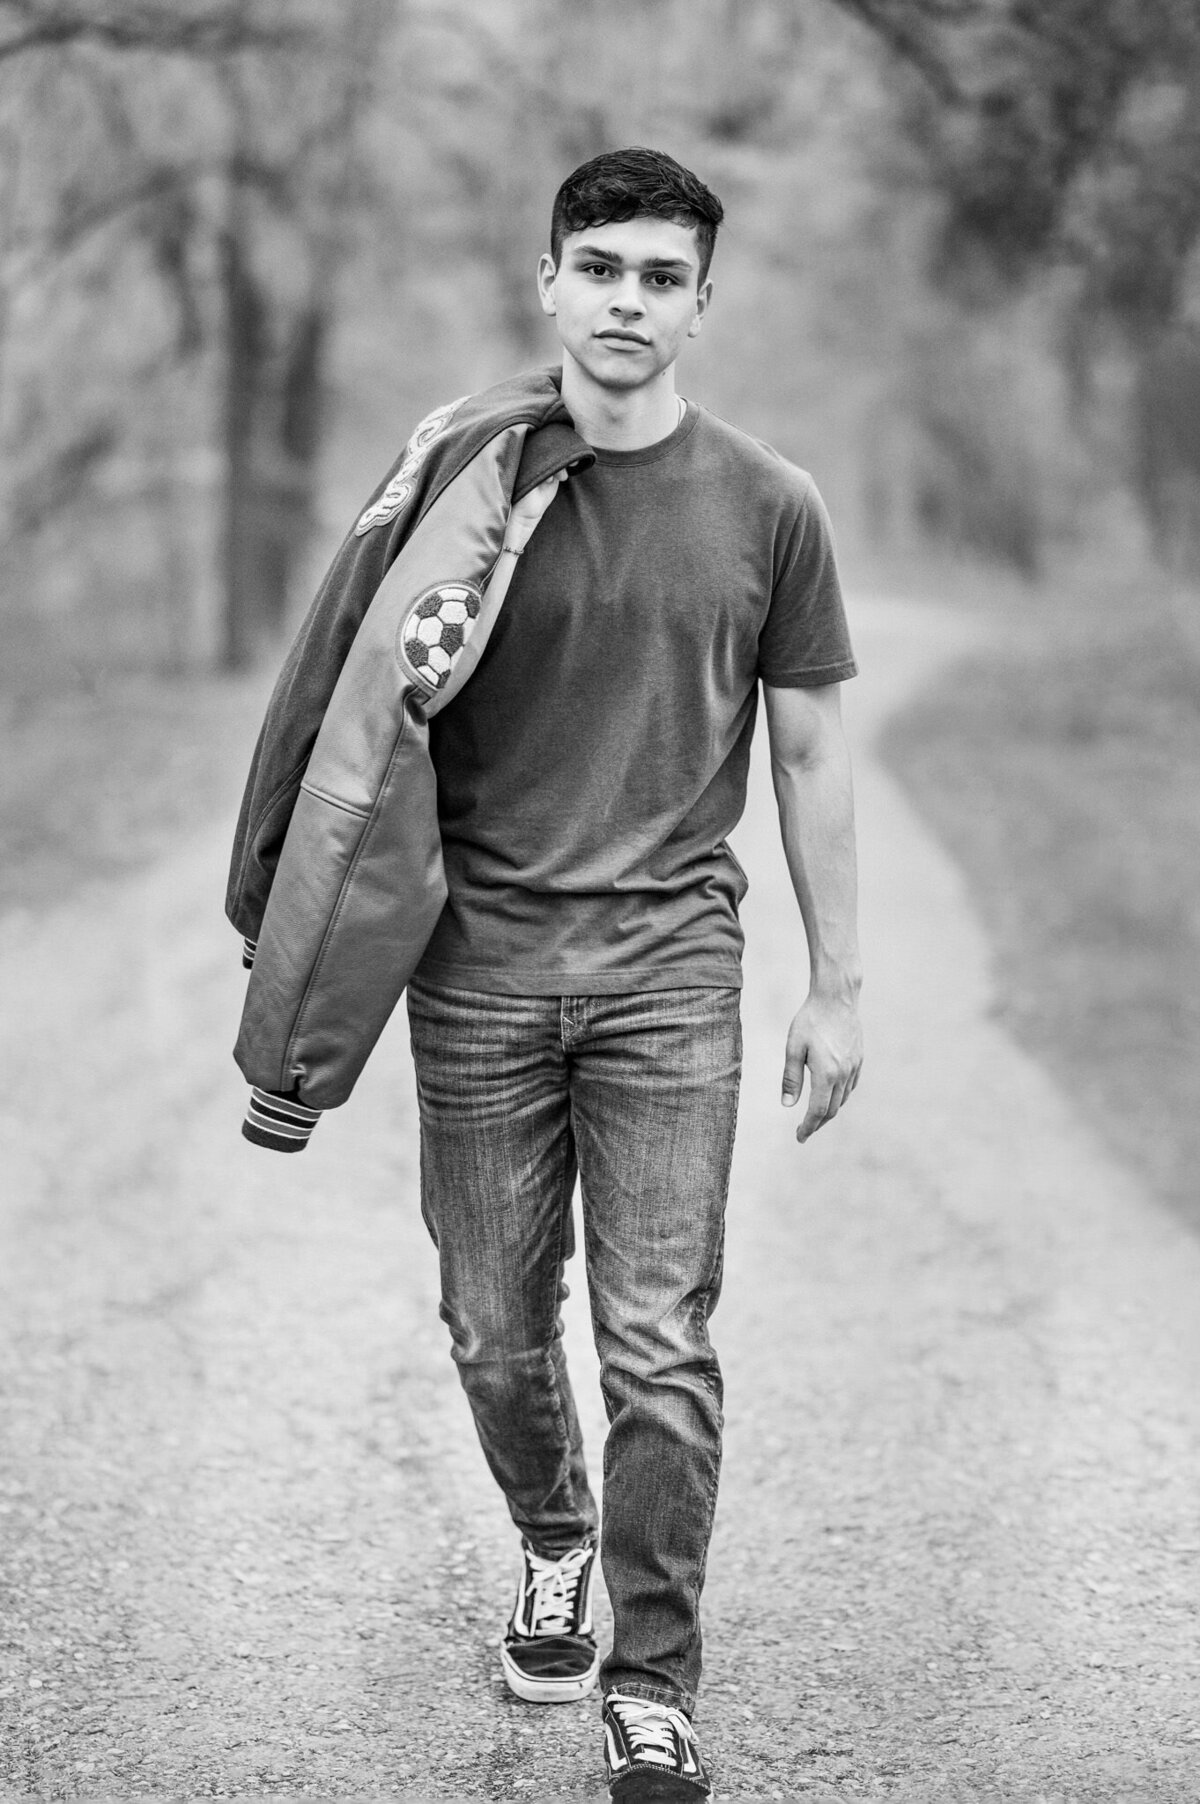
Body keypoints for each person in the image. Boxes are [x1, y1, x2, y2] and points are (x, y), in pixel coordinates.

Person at [402, 146, 863, 1800]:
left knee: (660, 1339)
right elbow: (352, 730)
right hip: (478, 979)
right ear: (549, 282)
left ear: (701, 307)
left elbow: (808, 755)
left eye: (663, 278)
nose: (628, 302)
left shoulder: (770, 505)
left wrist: (840, 985)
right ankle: (552, 1534)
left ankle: (652, 1682)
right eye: (601, 268)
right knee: (489, 1329)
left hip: (673, 974)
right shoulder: (465, 482)